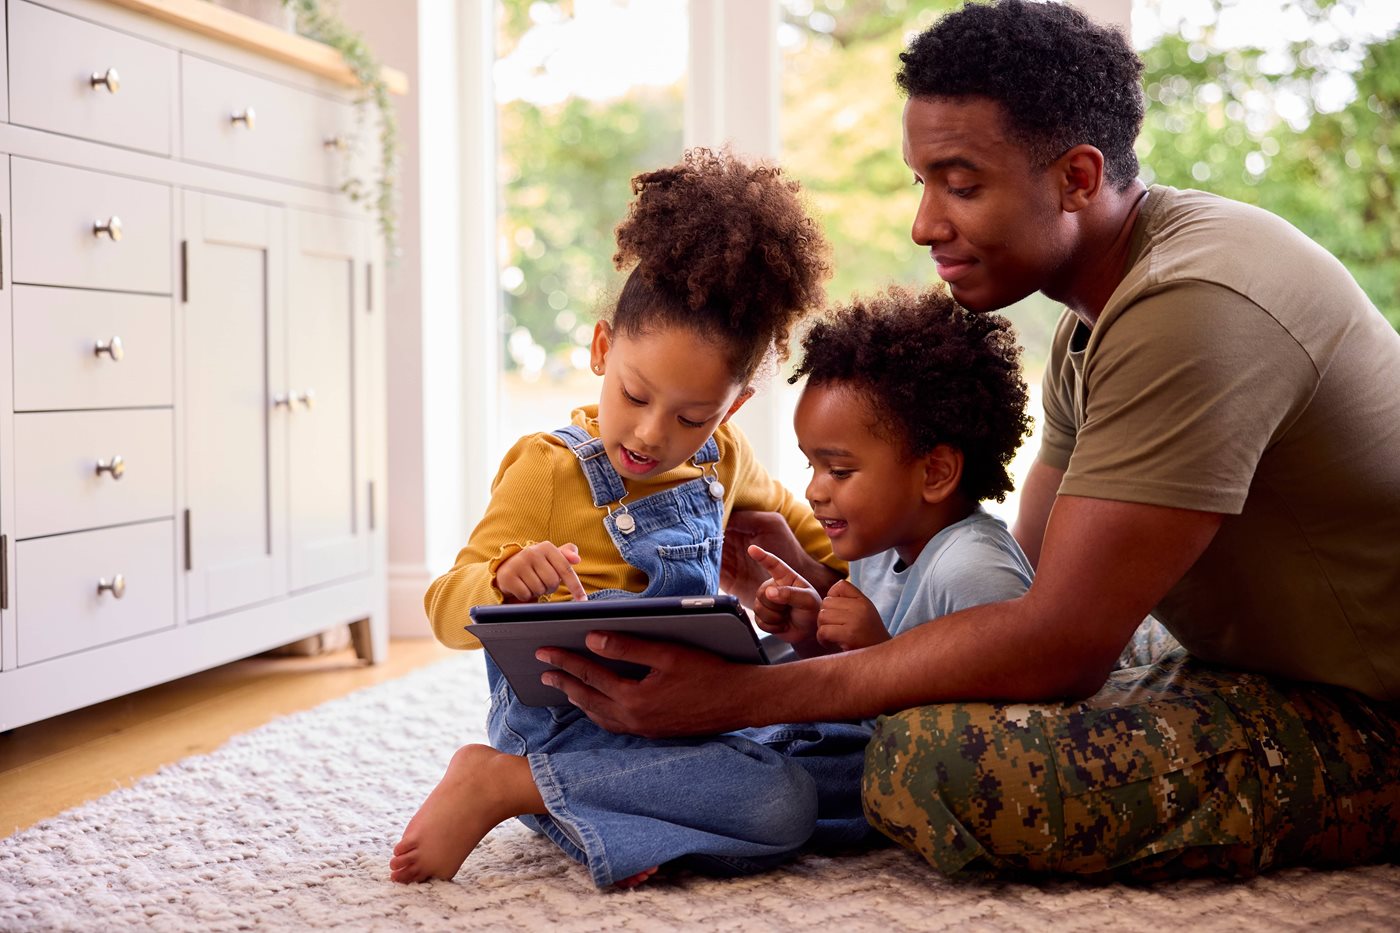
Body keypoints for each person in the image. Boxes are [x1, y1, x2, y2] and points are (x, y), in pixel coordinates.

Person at [536, 0, 1400, 880]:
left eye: (961, 182)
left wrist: (735, 698)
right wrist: (822, 583)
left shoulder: (1193, 304)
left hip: (1371, 708)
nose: (924, 224)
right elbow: (1013, 600)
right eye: (921, 181)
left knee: (931, 764)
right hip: (1243, 656)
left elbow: (1056, 641)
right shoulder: (1094, 322)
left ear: (1076, 176)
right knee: (915, 693)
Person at [391, 148, 850, 889]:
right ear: (603, 349)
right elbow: (444, 607)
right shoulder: (548, 468)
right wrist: (502, 579)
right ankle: (508, 782)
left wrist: (817, 587)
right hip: (572, 727)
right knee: (785, 801)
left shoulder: (725, 456)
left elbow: (827, 548)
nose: (648, 434)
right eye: (635, 395)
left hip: (691, 714)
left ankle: (633, 818)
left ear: (731, 409)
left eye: (691, 415)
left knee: (854, 748)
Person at [749, 285, 1033, 660]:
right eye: (811, 465)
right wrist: (810, 636)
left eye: (839, 470)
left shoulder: (974, 573)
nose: (813, 492)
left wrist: (879, 653)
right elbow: (855, 699)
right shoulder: (878, 549)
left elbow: (1010, 708)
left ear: (935, 474)